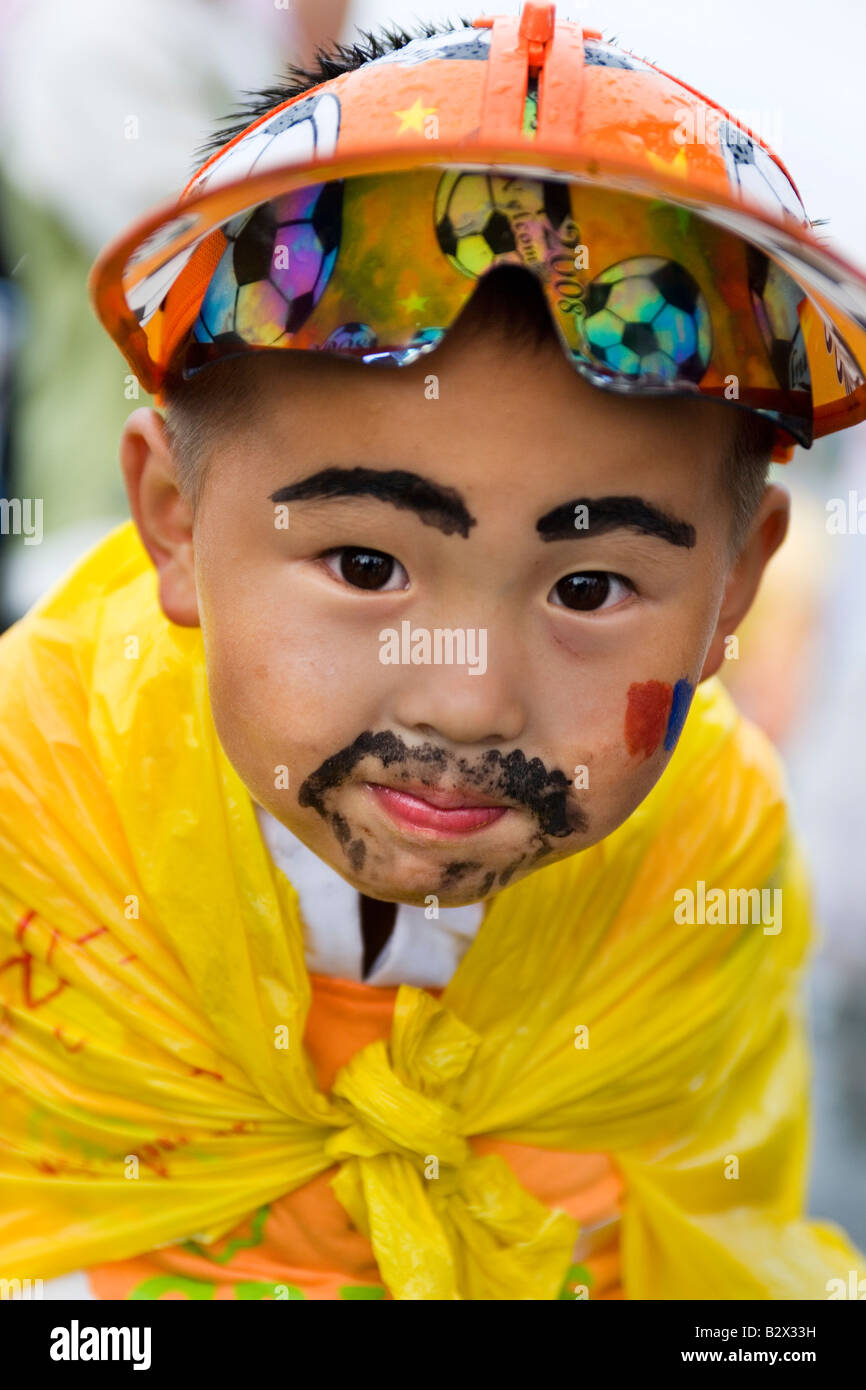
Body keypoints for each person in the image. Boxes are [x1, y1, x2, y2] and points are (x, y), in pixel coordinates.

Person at [2, 8, 866, 1302]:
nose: (470, 695)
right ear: (174, 523)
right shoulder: (35, 798)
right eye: (364, 566)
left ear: (731, 584)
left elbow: (710, 1262)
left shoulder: (705, 862)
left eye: (587, 585)